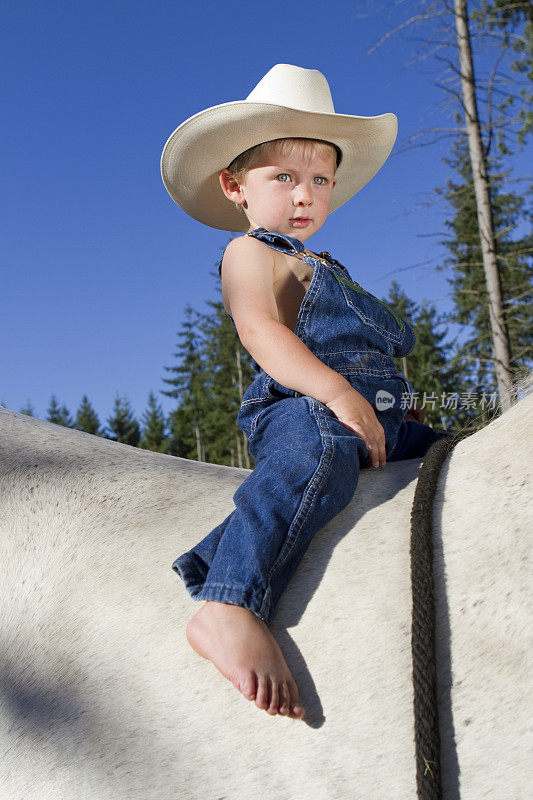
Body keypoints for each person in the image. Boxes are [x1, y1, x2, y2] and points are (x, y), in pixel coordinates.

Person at [160, 64, 446, 721]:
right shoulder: (250, 253)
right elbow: (261, 331)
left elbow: (376, 357)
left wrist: (398, 408)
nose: (305, 193)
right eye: (283, 177)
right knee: (312, 455)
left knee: (451, 461)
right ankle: (228, 604)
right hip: (300, 401)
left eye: (319, 179)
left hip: (375, 408)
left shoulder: (327, 268)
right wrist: (334, 391)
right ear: (235, 186)